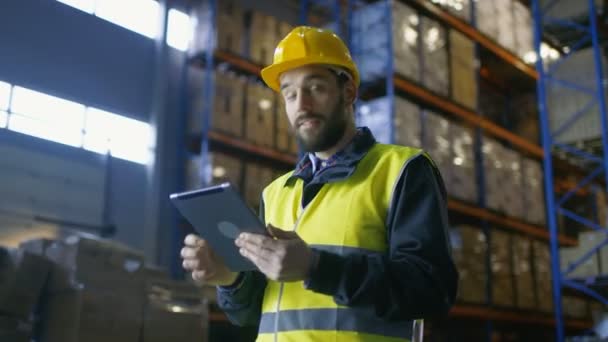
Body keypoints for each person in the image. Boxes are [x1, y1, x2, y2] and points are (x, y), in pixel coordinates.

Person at [181, 26, 458, 341]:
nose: (302, 104)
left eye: (316, 87)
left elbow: (431, 291)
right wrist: (229, 278)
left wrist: (317, 268)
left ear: (349, 92)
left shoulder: (402, 171)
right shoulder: (276, 194)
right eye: (290, 93)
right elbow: (253, 313)